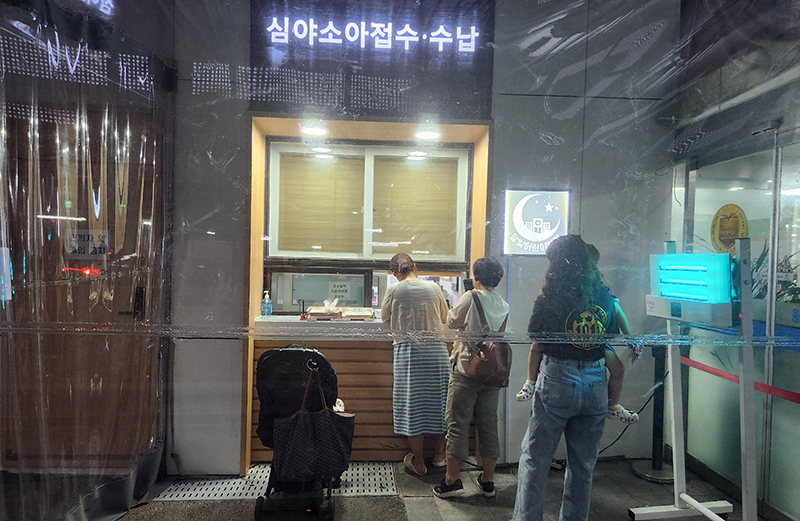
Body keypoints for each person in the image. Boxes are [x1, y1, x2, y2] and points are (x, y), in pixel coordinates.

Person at [512, 234, 618, 521]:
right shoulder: (604, 296)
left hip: (558, 378)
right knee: (583, 465)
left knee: (536, 459)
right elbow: (611, 333)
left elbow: (537, 337)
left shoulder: (550, 298)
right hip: (596, 380)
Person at [516, 243, 639, 424]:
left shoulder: (600, 289)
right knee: (537, 346)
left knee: (617, 368)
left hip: (592, 341)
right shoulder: (562, 289)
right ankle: (530, 382)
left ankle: (613, 405)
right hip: (576, 349)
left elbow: (616, 309)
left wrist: (629, 336)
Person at [433, 257, 509, 498]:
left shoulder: (471, 296)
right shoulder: (503, 303)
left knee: (457, 425)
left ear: (476, 276)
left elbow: (451, 321)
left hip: (467, 369)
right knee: (488, 425)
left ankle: (451, 481)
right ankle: (487, 481)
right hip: (492, 374)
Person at [381, 253, 450, 476]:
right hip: (436, 351)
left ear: (395, 273)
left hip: (408, 353)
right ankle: (440, 456)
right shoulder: (434, 288)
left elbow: (384, 317)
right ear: (415, 267)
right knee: (441, 402)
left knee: (412, 406)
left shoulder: (394, 290)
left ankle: (418, 462)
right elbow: (444, 316)